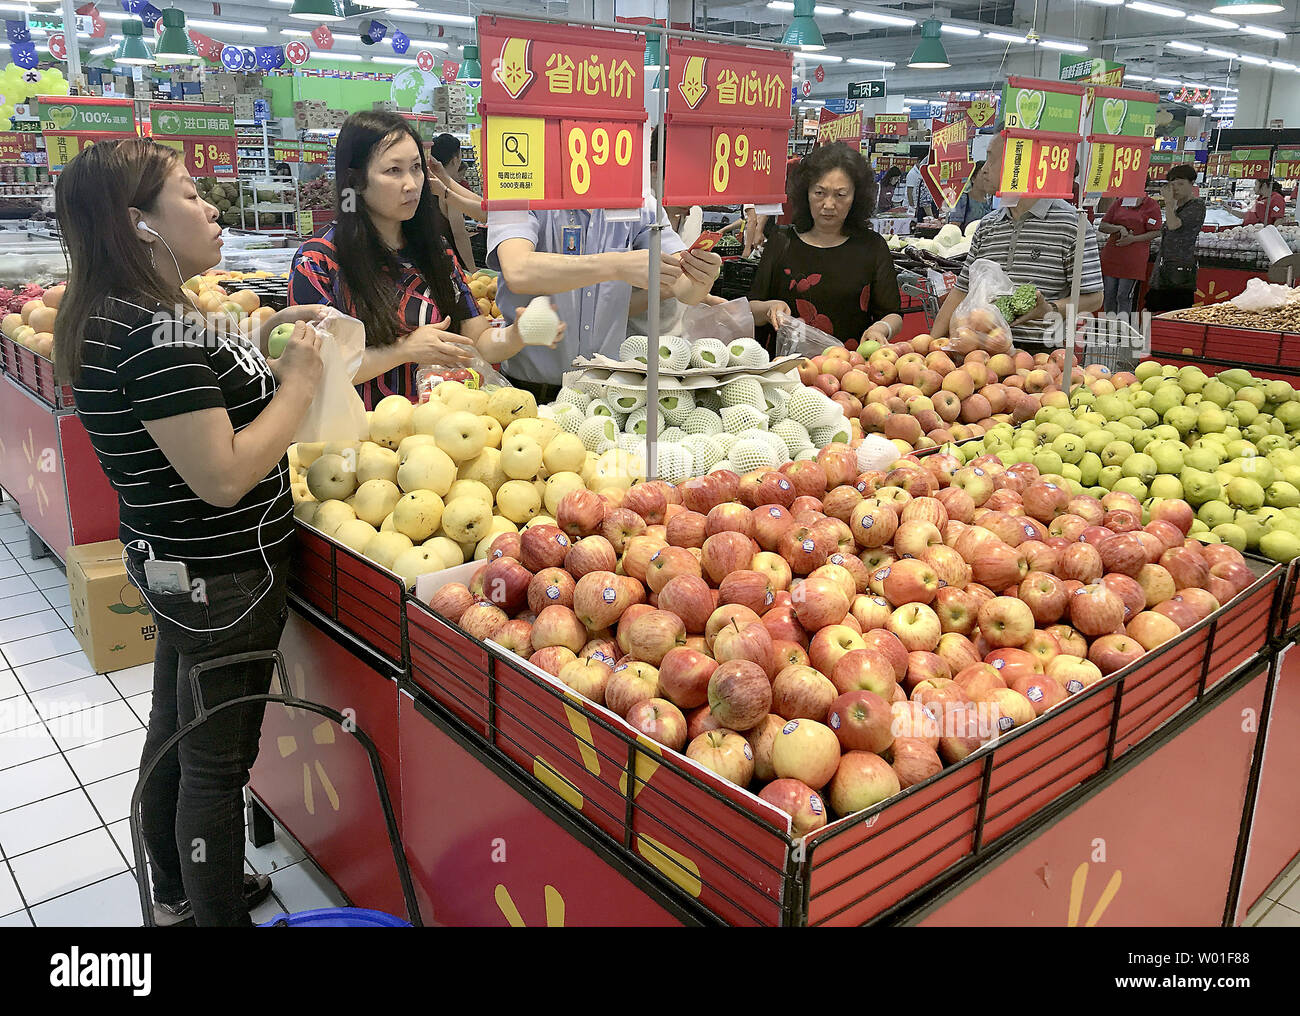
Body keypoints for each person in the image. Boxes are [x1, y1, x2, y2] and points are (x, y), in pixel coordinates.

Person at [54, 138, 327, 926]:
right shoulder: (152, 330)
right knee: (217, 763)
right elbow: (224, 475)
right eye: (191, 195)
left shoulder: (121, 314)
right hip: (228, 575)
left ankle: (173, 888)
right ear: (138, 225)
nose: (213, 208)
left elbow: (193, 401)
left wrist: (269, 327)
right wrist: (302, 385)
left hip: (177, 566)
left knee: (178, 727)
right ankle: (214, 915)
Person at [289, 112, 560, 410]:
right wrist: (403, 350)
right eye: (394, 170)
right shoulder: (317, 261)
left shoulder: (436, 253)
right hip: (357, 441)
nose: (411, 184)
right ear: (356, 180)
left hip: (437, 436)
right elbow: (317, 365)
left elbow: (478, 341)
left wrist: (518, 334)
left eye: (416, 168)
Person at [487, 152, 723, 403]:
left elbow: (683, 287)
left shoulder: (639, 201)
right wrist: (615, 265)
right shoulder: (522, 185)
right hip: (531, 393)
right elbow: (518, 270)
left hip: (608, 394)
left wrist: (702, 277)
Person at [748, 141, 903, 349]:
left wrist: (881, 328)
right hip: (786, 371)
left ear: (856, 197)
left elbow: (893, 313)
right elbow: (751, 307)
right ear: (806, 193)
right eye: (819, 193)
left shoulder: (872, 247)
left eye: (840, 195)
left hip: (850, 371)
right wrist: (769, 308)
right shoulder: (782, 241)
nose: (829, 205)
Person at [931, 192, 1104, 356]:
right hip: (978, 350)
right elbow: (961, 290)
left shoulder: (1073, 223)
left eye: (993, 161)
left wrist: (1049, 309)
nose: (985, 170)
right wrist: (930, 346)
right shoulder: (987, 224)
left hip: (1039, 355)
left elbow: (1094, 298)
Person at [1147, 164, 1206, 314]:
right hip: (1163, 269)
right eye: (1172, 185)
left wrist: (1168, 202)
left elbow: (1173, 225)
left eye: (1180, 184)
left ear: (1192, 184)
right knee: (1151, 311)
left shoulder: (1197, 205)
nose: (1176, 189)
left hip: (1180, 271)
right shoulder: (1175, 207)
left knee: (1175, 314)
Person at [1097, 191, 1162, 314]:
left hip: (1134, 259)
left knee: (1123, 295)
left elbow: (1156, 231)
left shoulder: (1151, 205)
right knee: (1109, 294)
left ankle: (1123, 328)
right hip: (1112, 255)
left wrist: (1133, 239)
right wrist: (1119, 228)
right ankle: (1109, 327)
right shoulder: (1119, 202)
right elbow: (1103, 225)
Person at [429, 132, 477, 271]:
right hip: (450, 264)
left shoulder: (426, 184)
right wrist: (472, 269)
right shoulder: (448, 190)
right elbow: (459, 233)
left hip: (429, 259)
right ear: (455, 159)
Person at [946, 160, 994, 231]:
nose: (987, 178)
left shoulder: (989, 202)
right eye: (984, 174)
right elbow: (953, 228)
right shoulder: (962, 199)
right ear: (973, 179)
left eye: (990, 175)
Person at [906, 149, 938, 220]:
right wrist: (912, 206)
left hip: (922, 208)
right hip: (920, 209)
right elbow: (909, 191)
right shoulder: (913, 174)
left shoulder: (925, 176)